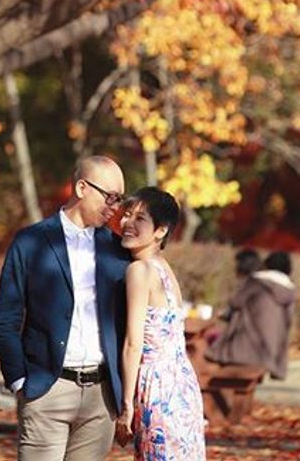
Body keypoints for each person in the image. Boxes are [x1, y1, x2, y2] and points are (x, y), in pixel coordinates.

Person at [0, 155, 129, 460]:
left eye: (120, 200)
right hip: (46, 390)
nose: (115, 207)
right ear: (82, 187)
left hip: (101, 397)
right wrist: (19, 381)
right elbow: (5, 319)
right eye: (110, 197)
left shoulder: (117, 250)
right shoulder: (30, 242)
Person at [115, 187, 206, 460]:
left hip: (156, 390)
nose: (127, 223)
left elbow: (133, 344)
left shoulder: (139, 271)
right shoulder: (164, 269)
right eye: (127, 214)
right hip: (182, 386)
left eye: (140, 219)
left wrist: (126, 407)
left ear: (161, 230)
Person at [205, 248, 296, 379]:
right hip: (270, 352)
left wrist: (222, 314)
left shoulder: (256, 282)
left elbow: (235, 303)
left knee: (205, 355)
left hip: (244, 348)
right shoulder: (290, 291)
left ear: (267, 264)